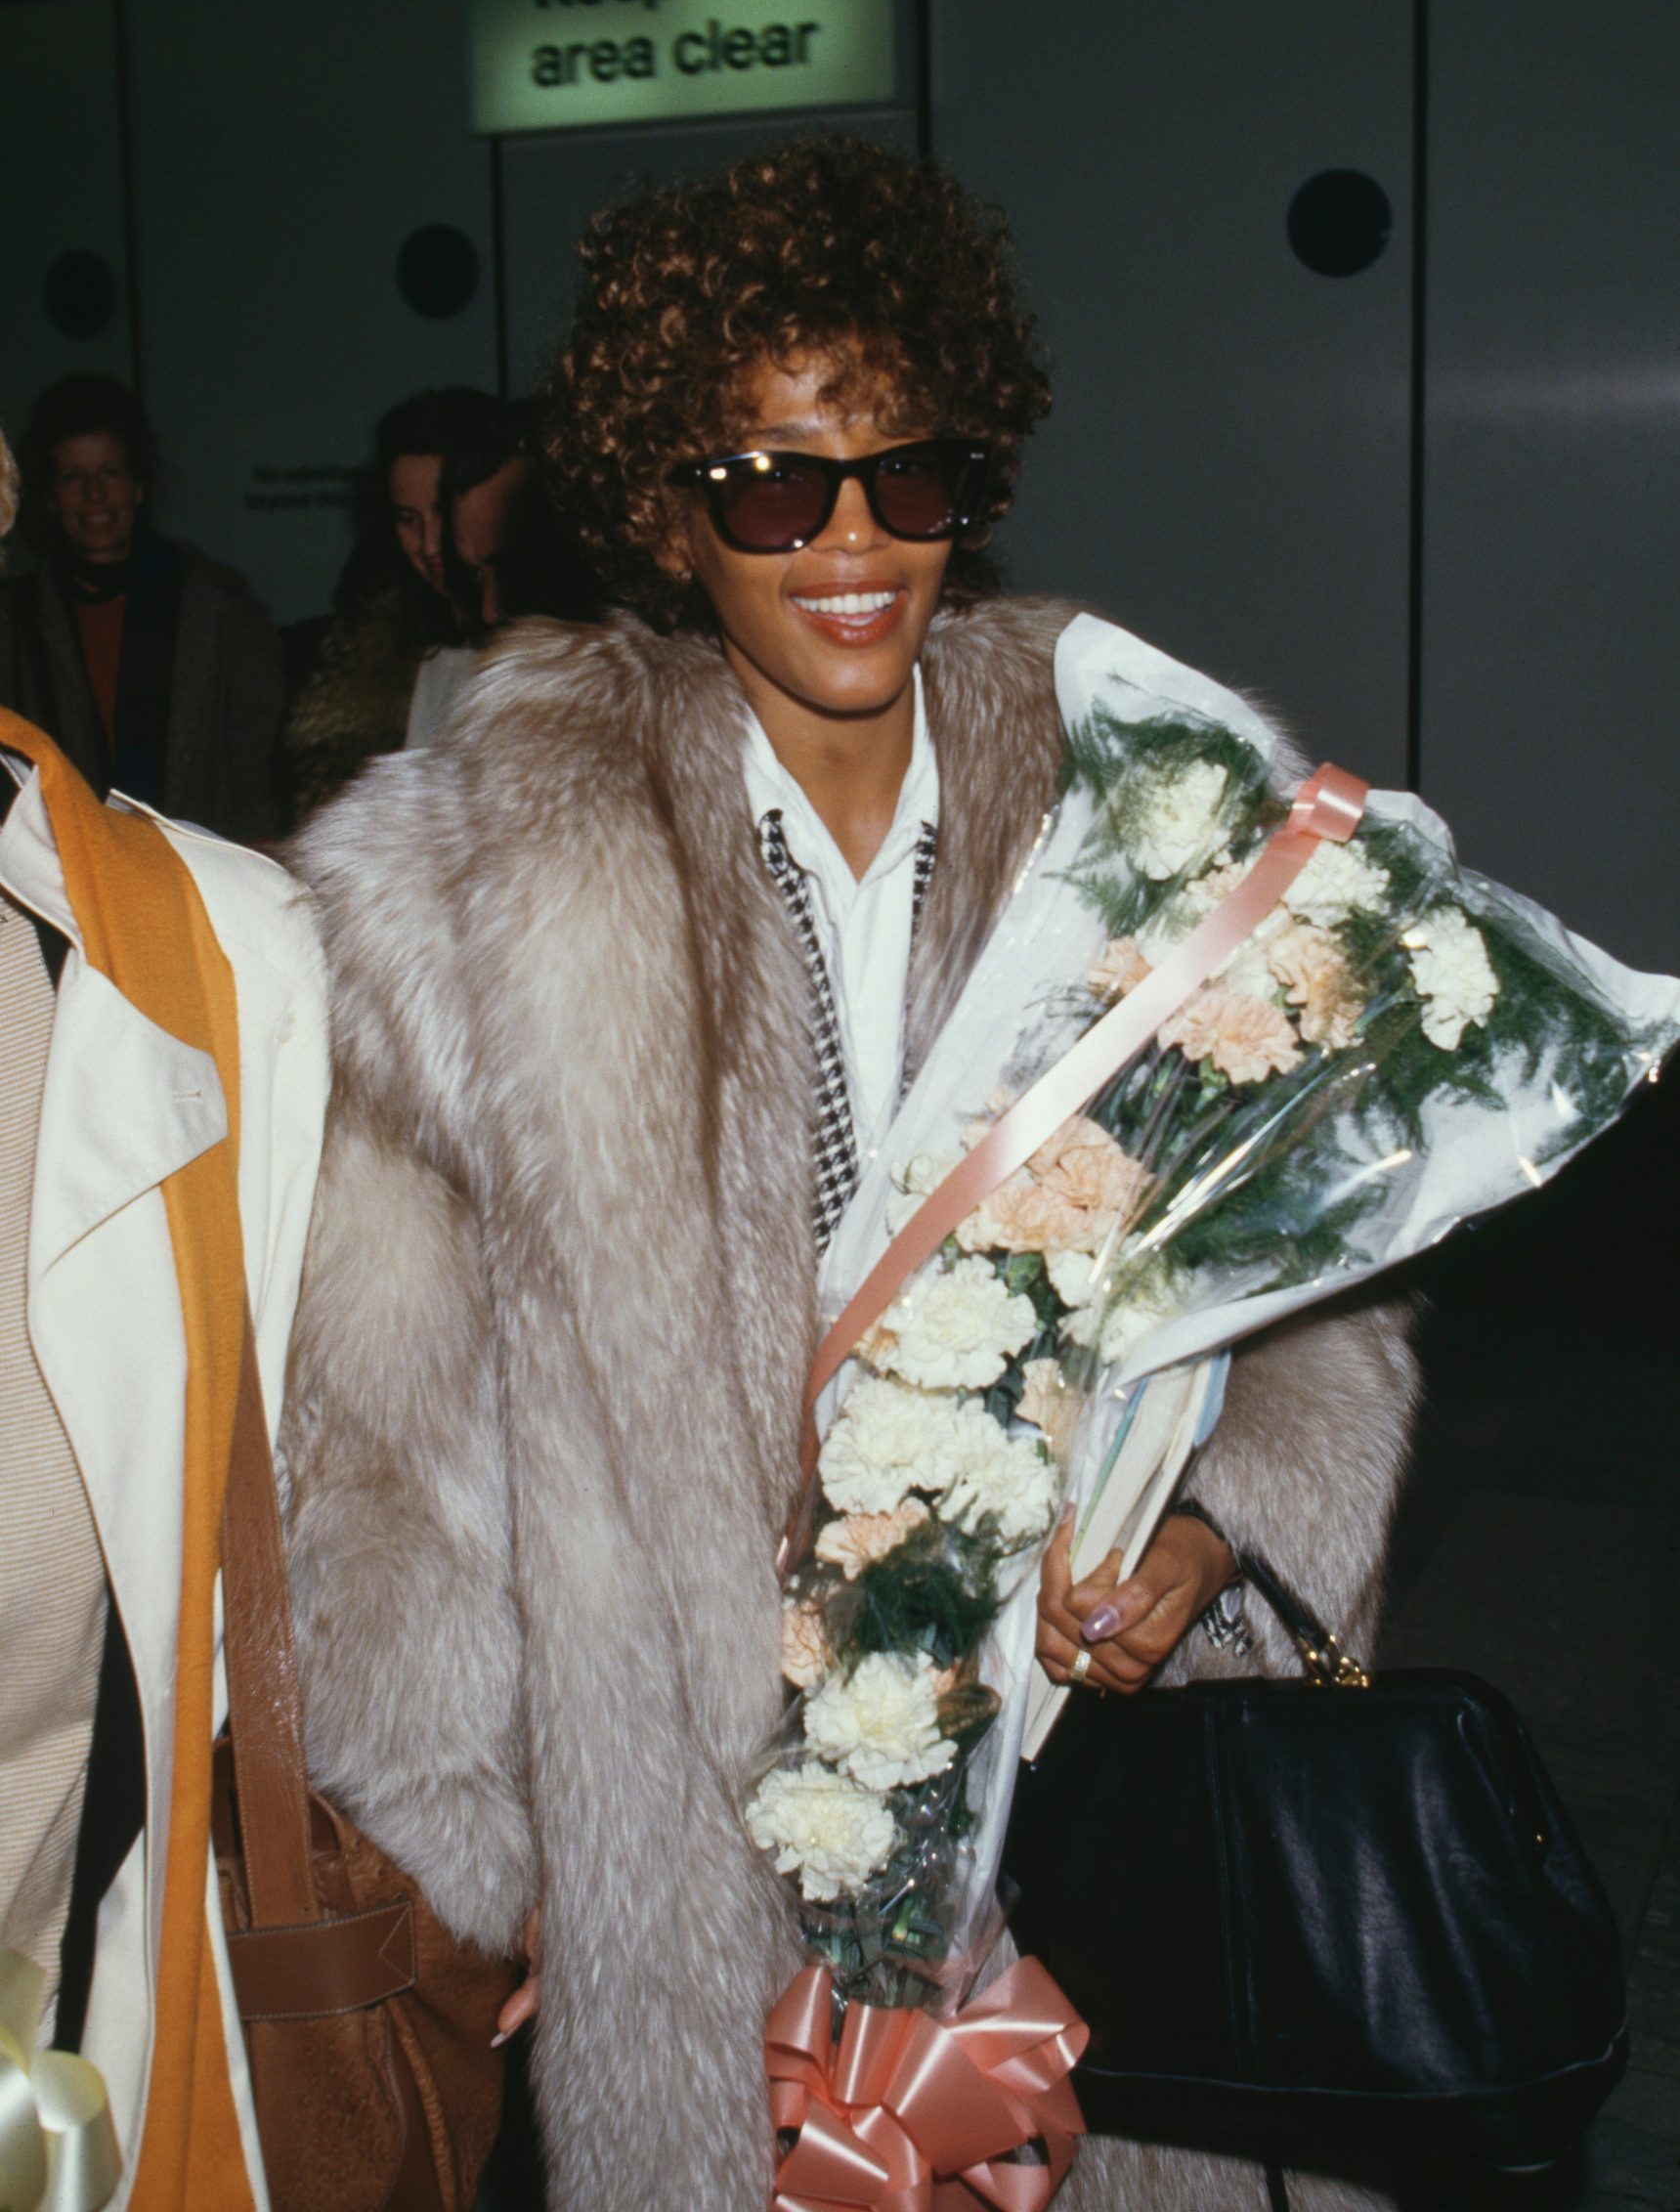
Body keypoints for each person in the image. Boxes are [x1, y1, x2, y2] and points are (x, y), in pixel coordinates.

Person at [279, 139, 1418, 2212]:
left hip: (1083, 1759)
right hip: (700, 1826)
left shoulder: (1136, 791)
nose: (849, 543)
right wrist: (491, 1863)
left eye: (908, 474)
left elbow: (1313, 1253)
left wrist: (1222, 1525)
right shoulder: (469, 888)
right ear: (661, 504)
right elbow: (371, 1448)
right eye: (769, 484)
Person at [0, 428, 329, 2204]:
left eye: (129, 469)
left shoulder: (234, 971)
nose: (103, 499)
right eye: (85, 474)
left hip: (70, 2026)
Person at [283, 387, 597, 821]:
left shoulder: (563, 646)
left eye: (442, 513)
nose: (430, 544)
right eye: (407, 519)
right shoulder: (366, 652)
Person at [0, 373, 287, 840]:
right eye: (74, 477)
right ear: (50, 498)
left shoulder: (220, 608)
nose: (94, 495)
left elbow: (261, 777)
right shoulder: (16, 623)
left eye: (110, 473)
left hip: (203, 874)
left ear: (138, 486)